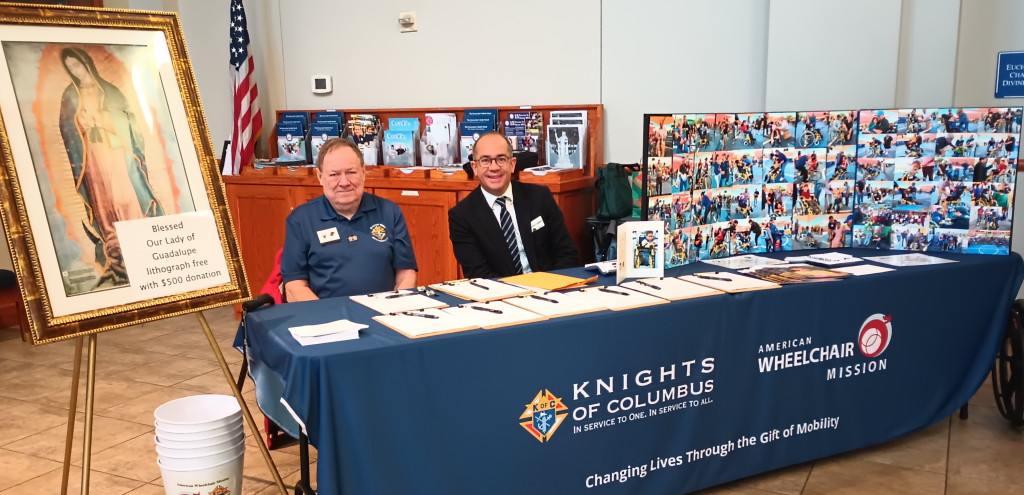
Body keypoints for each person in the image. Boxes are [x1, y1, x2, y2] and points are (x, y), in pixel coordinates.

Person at [58, 47, 165, 287]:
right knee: (102, 200)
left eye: (77, 64)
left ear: (86, 63)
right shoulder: (70, 94)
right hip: (91, 155)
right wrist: (82, 125)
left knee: (124, 196)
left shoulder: (109, 91)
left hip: (116, 152)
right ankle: (115, 249)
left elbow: (129, 123)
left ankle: (141, 244)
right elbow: (67, 129)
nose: (75, 70)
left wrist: (103, 120)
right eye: (70, 67)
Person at [282, 138, 418, 301]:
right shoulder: (300, 220)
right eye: (334, 174)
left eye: (351, 172)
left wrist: (393, 309)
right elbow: (294, 286)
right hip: (327, 319)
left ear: (363, 171)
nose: (344, 182)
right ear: (319, 177)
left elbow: (406, 275)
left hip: (383, 315)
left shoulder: (390, 211)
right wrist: (328, 318)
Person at [448, 132, 578, 278]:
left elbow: (566, 253)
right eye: (485, 160)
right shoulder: (462, 215)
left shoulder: (540, 197)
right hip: (500, 296)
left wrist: (551, 287)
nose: (494, 167)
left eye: (501, 159)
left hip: (551, 289)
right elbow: (478, 275)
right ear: (474, 167)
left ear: (512, 164)